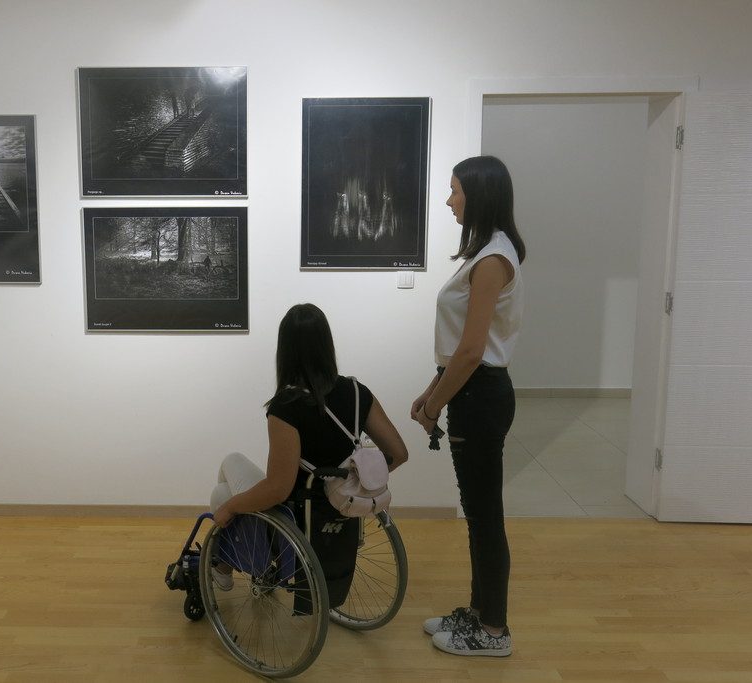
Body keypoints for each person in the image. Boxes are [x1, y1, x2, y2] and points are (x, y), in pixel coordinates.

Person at [211, 303, 408, 597]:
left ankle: (226, 566)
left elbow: (277, 489)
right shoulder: (357, 392)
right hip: (343, 505)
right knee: (228, 491)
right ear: (327, 344)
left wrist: (229, 508)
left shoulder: (286, 406)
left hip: (297, 516)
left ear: (285, 351)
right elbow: (398, 453)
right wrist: (355, 476)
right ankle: (234, 565)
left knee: (224, 487)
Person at [412, 155, 526, 657]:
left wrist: (434, 405)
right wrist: (433, 388)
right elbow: (459, 347)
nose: (449, 200)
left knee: (484, 518)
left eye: (455, 190)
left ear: (478, 195)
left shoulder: (493, 259)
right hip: (473, 391)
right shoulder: (487, 252)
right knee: (479, 515)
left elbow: (473, 351)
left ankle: (494, 631)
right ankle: (480, 614)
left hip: (480, 396)